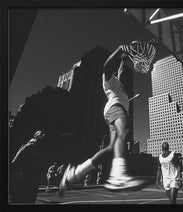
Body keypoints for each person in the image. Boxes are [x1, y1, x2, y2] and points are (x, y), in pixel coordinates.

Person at [59, 43, 147, 197]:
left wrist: (123, 59)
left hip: (115, 109)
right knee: (124, 132)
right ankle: (118, 176)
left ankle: (74, 174)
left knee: (111, 149)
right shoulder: (108, 80)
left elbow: (121, 70)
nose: (119, 73)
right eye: (116, 71)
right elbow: (106, 65)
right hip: (115, 107)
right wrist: (120, 49)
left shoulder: (119, 83)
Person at [9, 130, 47, 204]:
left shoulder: (38, 146)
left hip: (32, 175)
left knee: (29, 196)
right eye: (40, 134)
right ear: (35, 135)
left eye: (43, 134)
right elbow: (20, 153)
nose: (43, 135)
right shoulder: (32, 144)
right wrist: (14, 162)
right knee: (26, 196)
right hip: (28, 174)